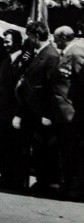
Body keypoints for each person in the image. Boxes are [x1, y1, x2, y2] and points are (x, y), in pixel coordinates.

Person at [13, 21, 61, 195]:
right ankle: (40, 181)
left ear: (34, 36)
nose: (28, 40)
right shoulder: (36, 54)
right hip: (31, 110)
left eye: (29, 36)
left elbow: (52, 87)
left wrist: (48, 113)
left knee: (44, 149)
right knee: (37, 148)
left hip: (42, 112)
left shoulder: (51, 56)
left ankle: (46, 183)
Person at [0, 29, 28, 190]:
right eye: (4, 41)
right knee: (4, 146)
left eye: (8, 41)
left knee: (17, 148)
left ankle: (17, 180)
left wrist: (19, 113)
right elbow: (0, 88)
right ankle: (6, 176)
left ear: (17, 42)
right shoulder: (5, 61)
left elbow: (22, 90)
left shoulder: (24, 61)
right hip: (3, 112)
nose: (5, 44)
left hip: (16, 112)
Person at [50, 26, 84, 199]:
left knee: (73, 153)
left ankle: (76, 188)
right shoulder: (65, 53)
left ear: (63, 37)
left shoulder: (76, 53)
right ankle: (68, 184)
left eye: (56, 38)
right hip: (64, 114)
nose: (54, 41)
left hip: (73, 114)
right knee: (66, 151)